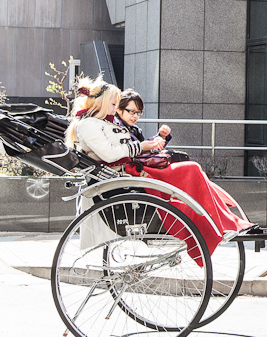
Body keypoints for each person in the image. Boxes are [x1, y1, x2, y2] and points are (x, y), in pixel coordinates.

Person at [66, 76, 250, 256]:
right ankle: (218, 223)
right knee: (191, 168)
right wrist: (141, 146)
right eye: (113, 104)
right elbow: (110, 153)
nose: (115, 109)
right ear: (101, 103)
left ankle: (223, 221)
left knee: (189, 167)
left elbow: (127, 149)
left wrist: (154, 142)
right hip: (128, 175)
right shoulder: (89, 125)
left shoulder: (104, 123)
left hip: (135, 170)